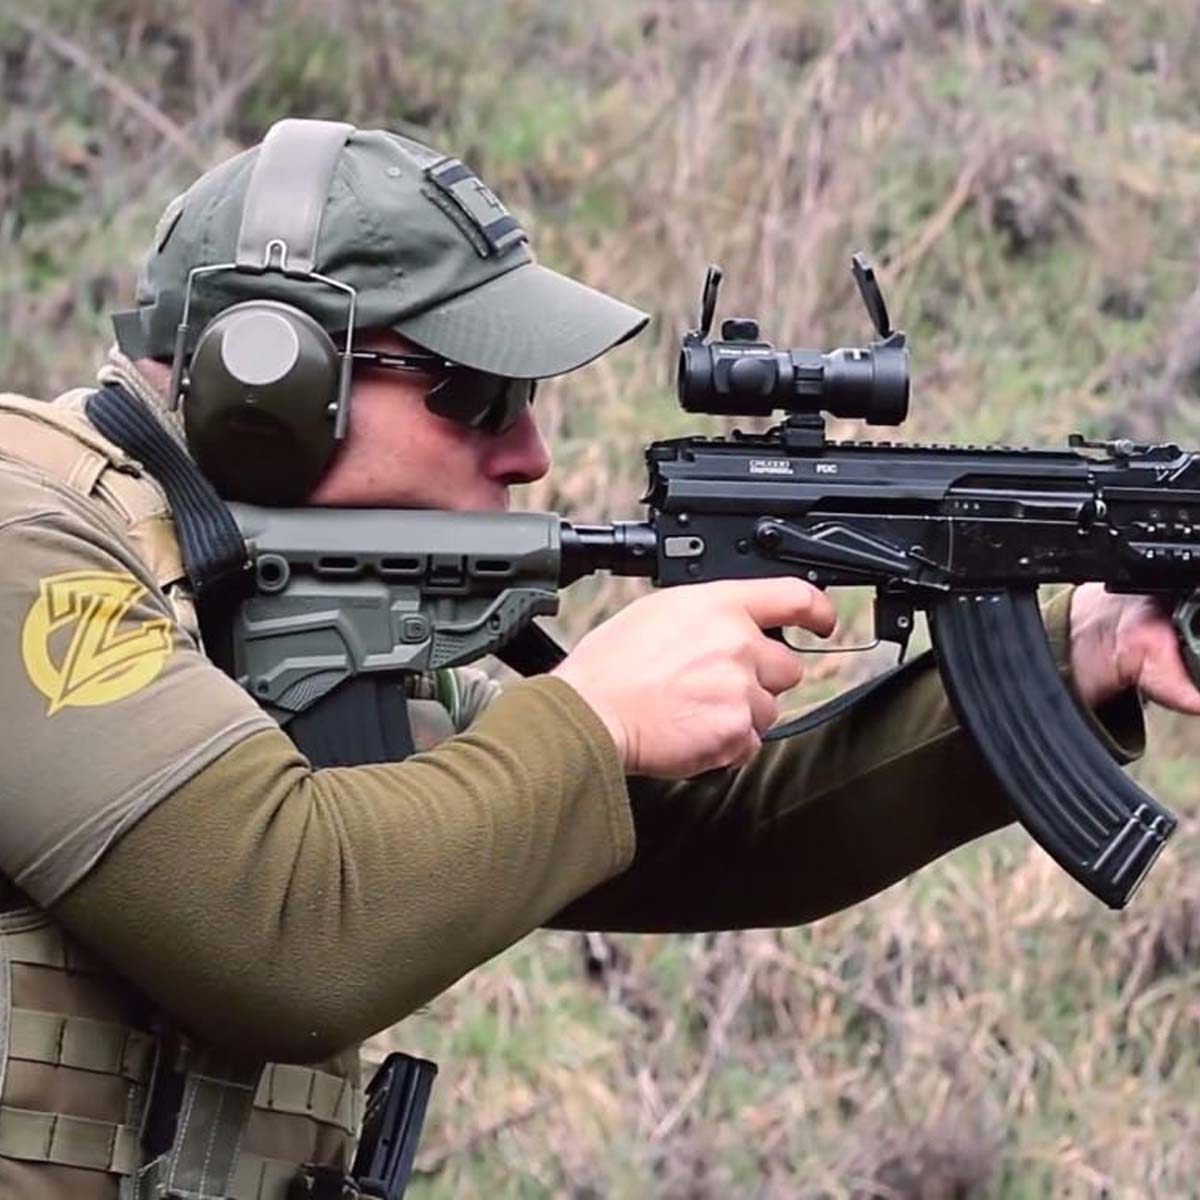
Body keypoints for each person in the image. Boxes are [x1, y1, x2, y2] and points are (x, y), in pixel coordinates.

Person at [0, 118, 1194, 1199]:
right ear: (269, 377)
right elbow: (287, 934)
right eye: (479, 394)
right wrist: (596, 713)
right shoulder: (26, 529)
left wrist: (1078, 652)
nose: (528, 451)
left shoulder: (264, 609)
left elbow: (714, 832)